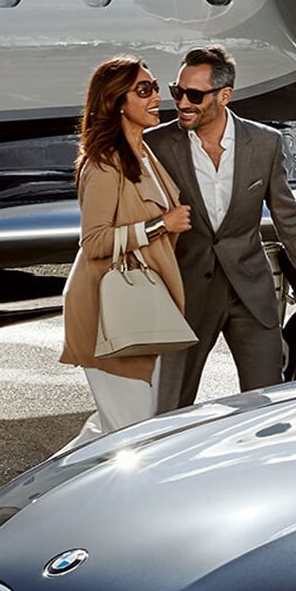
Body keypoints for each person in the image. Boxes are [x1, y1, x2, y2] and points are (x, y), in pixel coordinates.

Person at [145, 45, 296, 413]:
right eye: (178, 91)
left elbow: (289, 218)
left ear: (224, 96)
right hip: (186, 295)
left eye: (194, 95)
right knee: (169, 410)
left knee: (268, 406)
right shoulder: (157, 145)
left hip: (250, 294)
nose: (182, 103)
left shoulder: (265, 143)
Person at [59, 57, 193, 445]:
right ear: (117, 100)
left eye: (156, 88)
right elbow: (95, 241)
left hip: (141, 309)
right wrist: (159, 225)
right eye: (144, 90)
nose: (156, 98)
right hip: (108, 313)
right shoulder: (103, 164)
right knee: (130, 435)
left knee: (113, 430)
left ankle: (35, 496)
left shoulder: (146, 155)